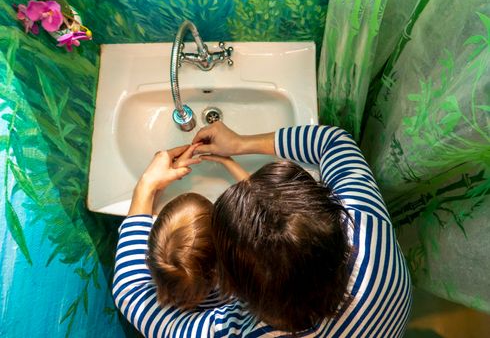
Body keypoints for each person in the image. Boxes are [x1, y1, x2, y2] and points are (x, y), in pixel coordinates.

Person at [113, 123, 412, 337]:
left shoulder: (235, 330)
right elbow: (333, 141)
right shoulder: (366, 221)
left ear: (236, 292)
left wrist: (146, 187)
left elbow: (131, 293)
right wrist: (241, 144)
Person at [145, 150, 250, 311]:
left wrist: (157, 185)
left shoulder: (144, 286)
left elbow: (142, 211)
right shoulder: (240, 279)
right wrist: (229, 162)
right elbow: (264, 210)